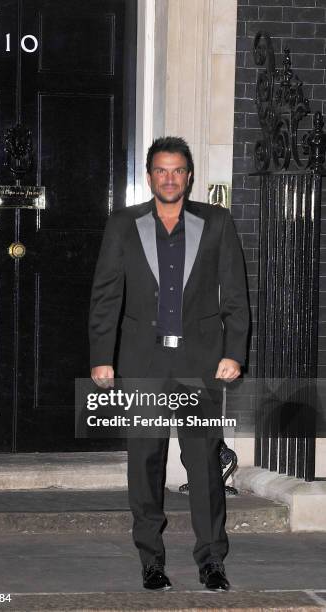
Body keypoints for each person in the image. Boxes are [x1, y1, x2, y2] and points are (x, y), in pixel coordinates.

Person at [89, 136, 250, 592]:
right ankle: (151, 560)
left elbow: (235, 295)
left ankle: (212, 560)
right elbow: (106, 297)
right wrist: (102, 358)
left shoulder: (216, 222)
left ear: (190, 175)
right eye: (161, 170)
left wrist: (234, 351)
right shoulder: (123, 224)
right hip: (143, 361)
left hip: (199, 363)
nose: (170, 178)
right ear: (149, 175)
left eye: (178, 170)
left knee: (203, 465)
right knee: (145, 463)